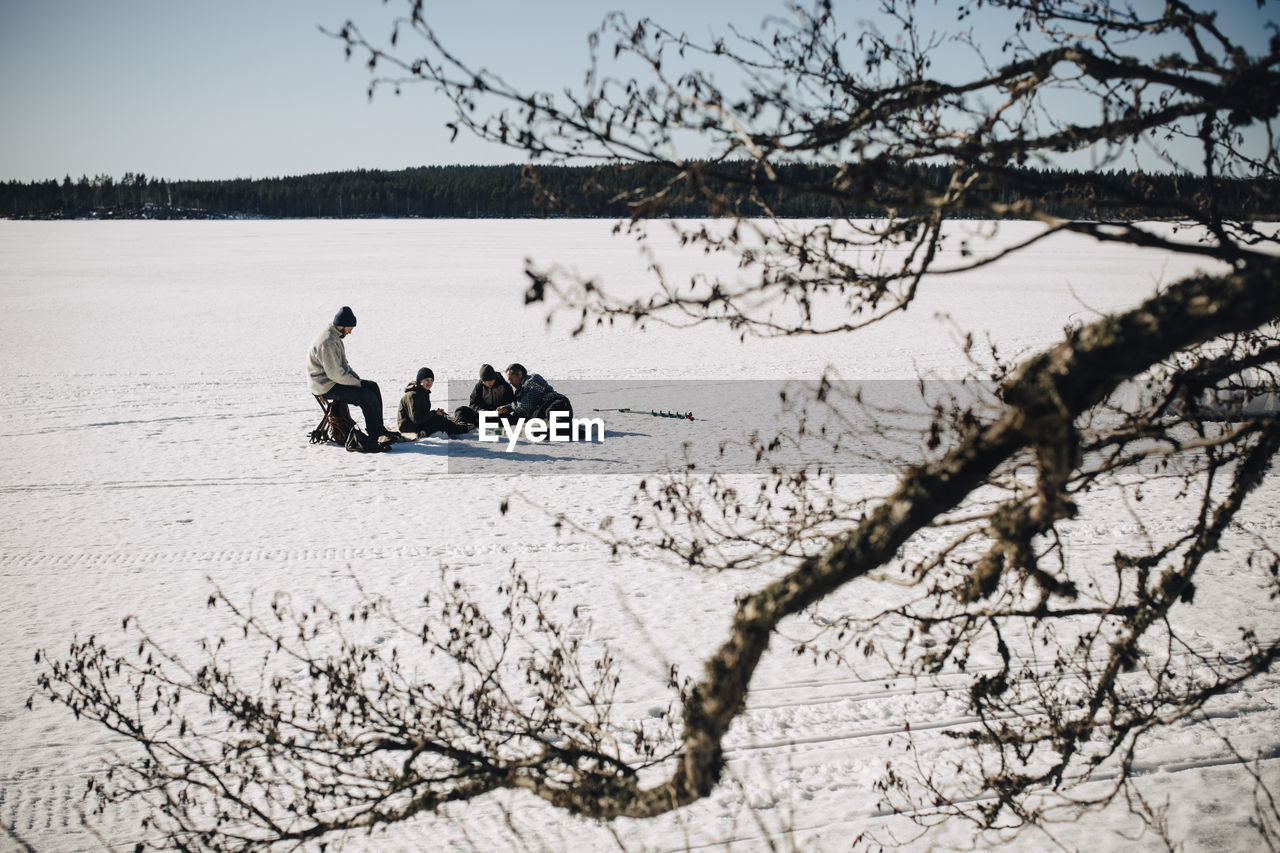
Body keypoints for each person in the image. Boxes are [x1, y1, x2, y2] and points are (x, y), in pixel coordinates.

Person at [307, 306, 394, 441]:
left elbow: (343, 364)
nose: (350, 332)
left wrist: (354, 376)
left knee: (372, 386)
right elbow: (335, 374)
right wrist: (356, 383)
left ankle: (379, 429)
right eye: (350, 328)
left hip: (332, 381)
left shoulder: (335, 337)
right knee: (366, 397)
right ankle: (375, 434)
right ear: (341, 325)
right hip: (325, 386)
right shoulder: (328, 342)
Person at [397, 367, 471, 438]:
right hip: (408, 427)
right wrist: (434, 413)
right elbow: (416, 419)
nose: (429, 382)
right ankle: (460, 429)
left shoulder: (423, 393)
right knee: (440, 421)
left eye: (431, 380)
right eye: (426, 380)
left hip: (416, 424)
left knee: (440, 418)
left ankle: (459, 427)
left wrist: (436, 413)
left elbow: (422, 414)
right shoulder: (413, 395)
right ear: (420, 381)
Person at [498, 363, 573, 422]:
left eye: (511, 379)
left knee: (557, 430)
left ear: (520, 374)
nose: (510, 382)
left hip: (556, 404)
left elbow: (526, 404)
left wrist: (508, 408)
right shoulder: (519, 392)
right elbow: (520, 410)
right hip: (541, 414)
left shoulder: (533, 380)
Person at [453, 363, 515, 428]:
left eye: (490, 381)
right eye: (485, 382)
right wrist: (482, 411)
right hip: (483, 416)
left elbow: (512, 403)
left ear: (494, 378)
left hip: (500, 416)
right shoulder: (479, 387)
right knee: (461, 410)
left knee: (514, 418)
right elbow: (473, 404)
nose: (488, 383)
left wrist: (503, 409)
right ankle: (460, 426)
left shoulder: (505, 386)